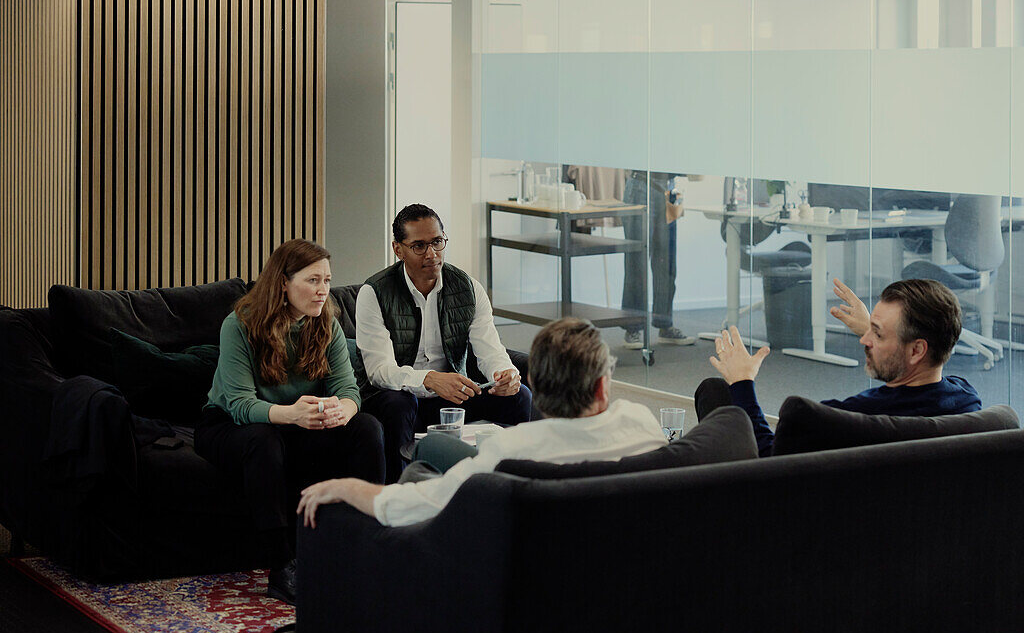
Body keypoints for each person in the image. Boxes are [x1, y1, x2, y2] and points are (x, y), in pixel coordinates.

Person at [298, 317, 667, 528]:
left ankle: (422, 468)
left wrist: (344, 487)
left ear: (534, 382)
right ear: (603, 386)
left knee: (422, 468)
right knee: (436, 448)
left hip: (513, 568)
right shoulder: (641, 424)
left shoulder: (513, 452)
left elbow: (404, 507)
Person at [196, 239, 385, 604]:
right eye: (313, 281)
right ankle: (282, 566)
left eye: (327, 281)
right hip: (229, 425)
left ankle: (366, 545)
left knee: (367, 428)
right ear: (283, 282)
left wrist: (344, 409)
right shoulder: (240, 324)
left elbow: (347, 386)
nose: (323, 291)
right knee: (264, 441)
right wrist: (293, 414)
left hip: (293, 425)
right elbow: (238, 403)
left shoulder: (324, 322)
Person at [695, 278, 982, 456]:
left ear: (917, 349)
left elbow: (770, 460)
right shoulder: (967, 402)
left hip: (780, 511)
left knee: (717, 393)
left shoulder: (839, 418)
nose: (864, 340)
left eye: (878, 334)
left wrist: (743, 383)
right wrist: (873, 330)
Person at [355, 203, 533, 483]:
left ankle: (513, 486)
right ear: (398, 249)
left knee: (519, 395)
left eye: (437, 242)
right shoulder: (374, 293)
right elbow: (379, 371)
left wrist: (504, 373)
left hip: (453, 397)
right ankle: (400, 495)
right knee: (398, 403)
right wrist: (429, 379)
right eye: (419, 246)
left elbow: (490, 349)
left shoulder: (468, 287)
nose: (432, 254)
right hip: (401, 397)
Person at [621, 170, 696, 349]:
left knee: (667, 261)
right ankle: (633, 327)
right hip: (641, 186)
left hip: (669, 188)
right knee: (637, 262)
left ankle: (665, 324)